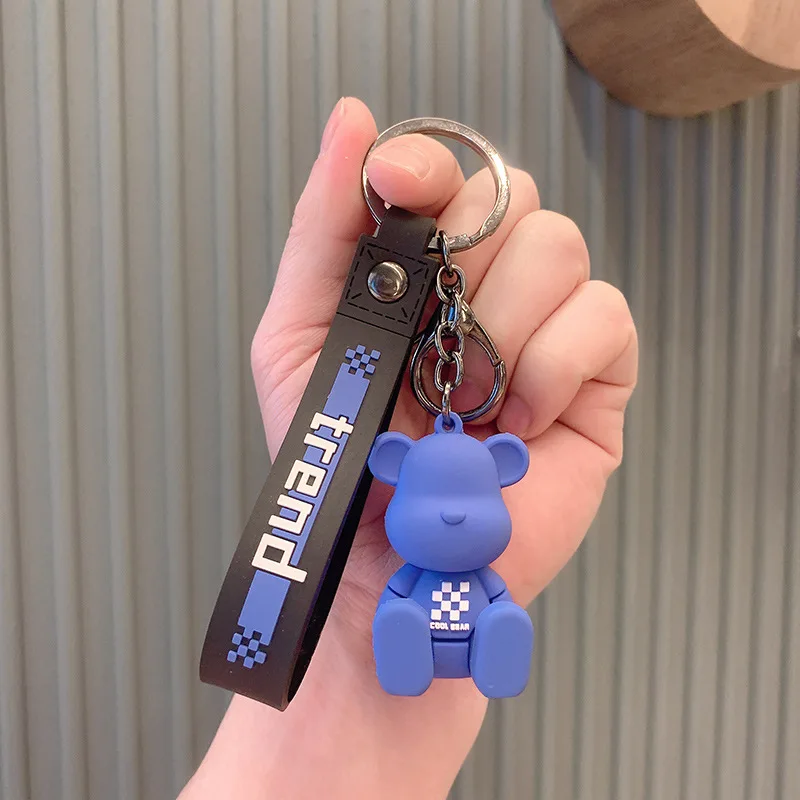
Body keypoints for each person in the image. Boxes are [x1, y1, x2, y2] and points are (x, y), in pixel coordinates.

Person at [180, 97, 638, 799]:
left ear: (502, 474)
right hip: (395, 617)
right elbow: (385, 593)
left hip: (457, 627)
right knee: (399, 616)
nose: (454, 515)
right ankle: (402, 649)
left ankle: (488, 648)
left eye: (468, 497)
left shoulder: (480, 572)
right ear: (387, 468)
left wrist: (493, 613)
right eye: (436, 496)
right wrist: (353, 618)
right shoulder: (401, 562)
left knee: (495, 619)